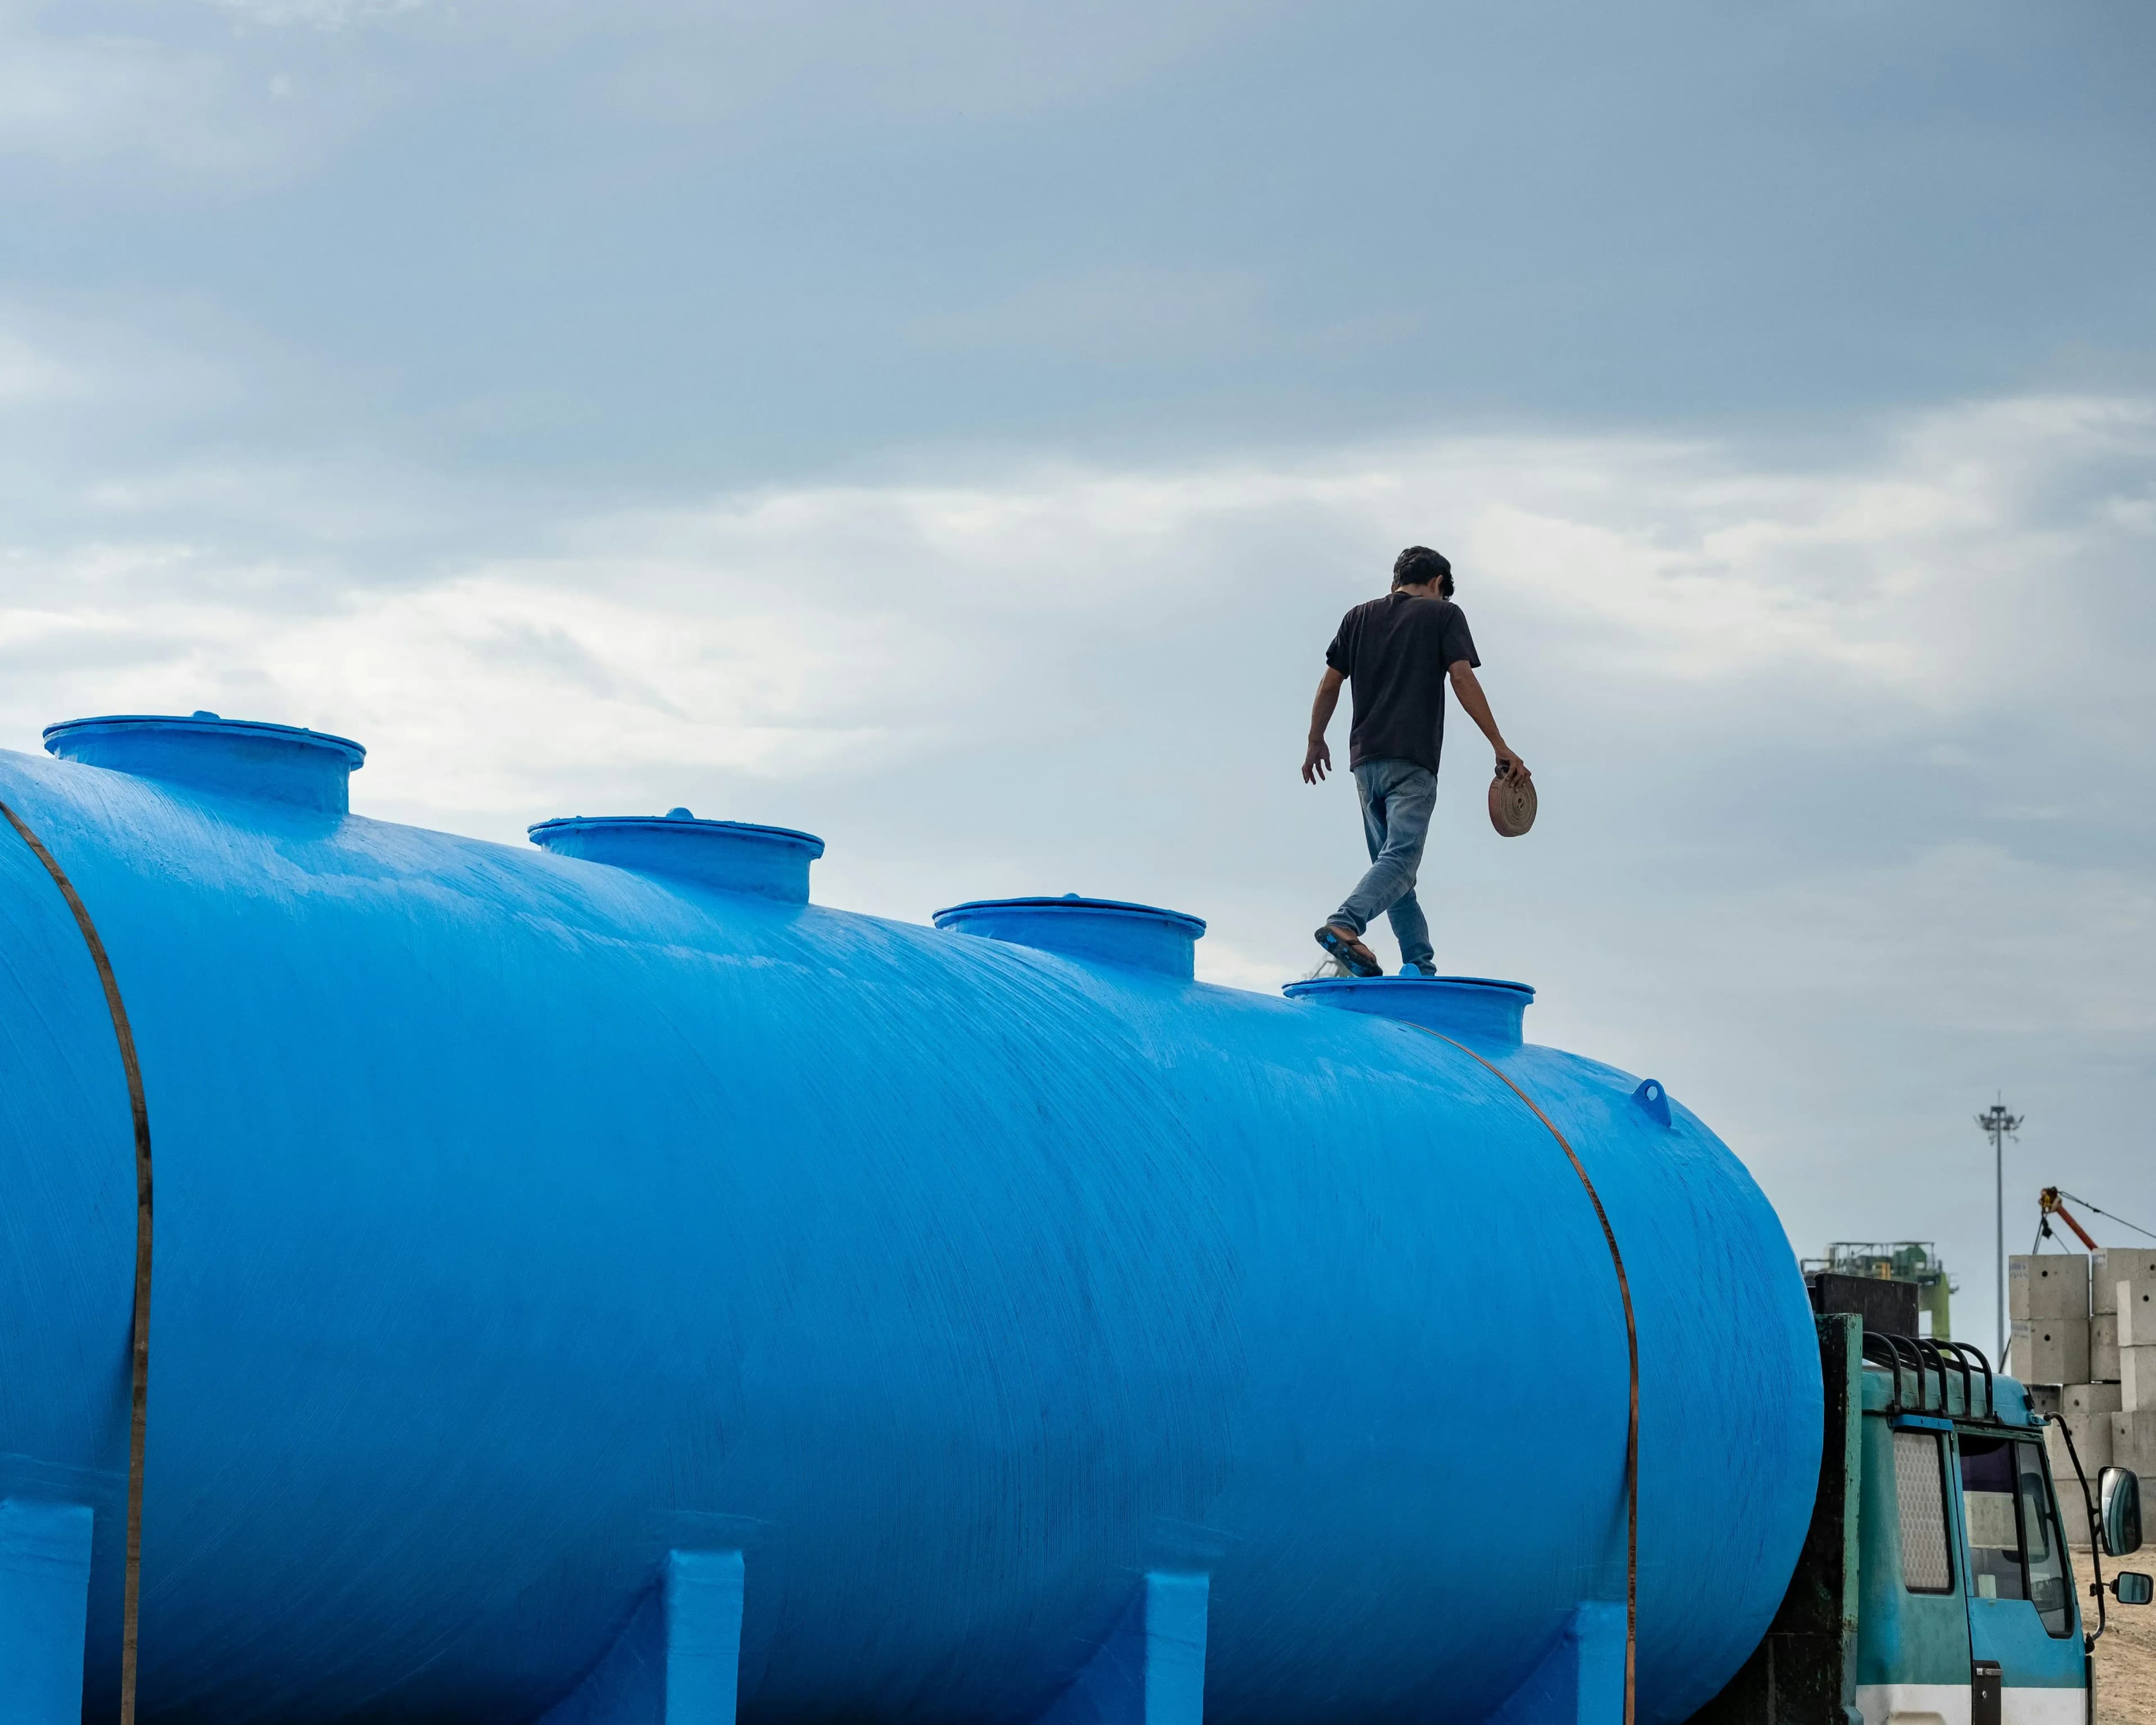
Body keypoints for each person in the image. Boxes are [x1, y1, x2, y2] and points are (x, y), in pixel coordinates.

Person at [1301, 546, 1530, 977]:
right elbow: (1462, 677)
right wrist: (1500, 744)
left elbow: (1330, 683)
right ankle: (1345, 923)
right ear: (1439, 584)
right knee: (1401, 860)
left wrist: (1316, 740)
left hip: (1364, 762)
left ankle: (1420, 965)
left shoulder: (1358, 617)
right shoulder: (1444, 615)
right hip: (1412, 758)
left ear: (1396, 582)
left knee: (1392, 866)